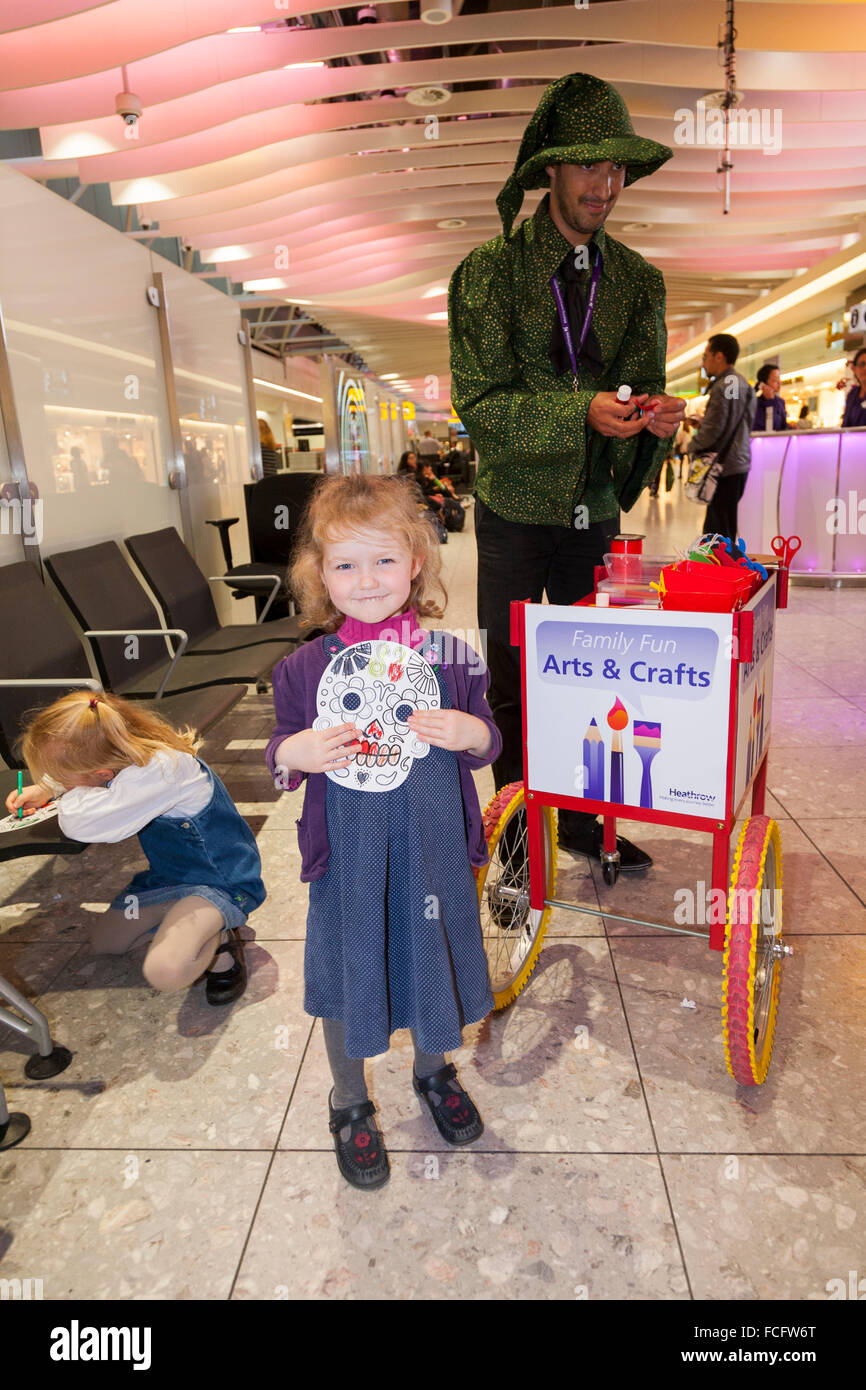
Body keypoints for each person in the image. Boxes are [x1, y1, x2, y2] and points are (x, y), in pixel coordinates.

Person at [449, 71, 685, 873]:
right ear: (549, 168)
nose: (605, 183)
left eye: (617, 168)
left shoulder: (639, 282)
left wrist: (650, 419)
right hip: (514, 511)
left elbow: (637, 390)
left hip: (592, 511)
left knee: (595, 671)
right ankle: (516, 836)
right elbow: (480, 404)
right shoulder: (489, 274)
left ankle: (587, 822)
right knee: (513, 677)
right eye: (588, 164)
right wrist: (576, 412)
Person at [266, 474, 500, 1190]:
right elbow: (279, 755)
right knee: (349, 975)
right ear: (319, 575)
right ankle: (348, 1098)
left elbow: (487, 741)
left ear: (417, 562)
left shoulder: (453, 658)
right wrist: (292, 753)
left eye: (383, 560)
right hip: (351, 863)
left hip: (430, 858)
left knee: (432, 962)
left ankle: (434, 1069)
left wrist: (470, 733)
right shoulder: (301, 670)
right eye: (345, 564)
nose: (366, 580)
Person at [6, 693, 264, 1005]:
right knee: (106, 943)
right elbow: (89, 775)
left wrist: (62, 790)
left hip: (220, 882)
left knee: (166, 971)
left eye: (63, 776)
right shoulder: (123, 754)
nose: (60, 781)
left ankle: (222, 938)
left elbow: (77, 823)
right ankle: (186, 918)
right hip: (171, 878)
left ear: (101, 772)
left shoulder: (166, 770)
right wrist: (49, 787)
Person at [689, 334, 756, 542]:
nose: (703, 361)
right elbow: (732, 419)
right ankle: (721, 568)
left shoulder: (729, 383)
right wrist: (705, 421)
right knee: (722, 525)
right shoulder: (737, 382)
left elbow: (720, 426)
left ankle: (719, 571)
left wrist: (692, 445)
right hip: (736, 462)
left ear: (719, 356)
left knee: (718, 530)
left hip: (726, 466)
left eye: (705, 356)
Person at [417, 461, 465, 530]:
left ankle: (455, 498)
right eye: (427, 468)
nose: (430, 469)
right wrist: (435, 484)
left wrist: (435, 481)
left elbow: (440, 487)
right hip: (431, 498)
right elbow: (426, 491)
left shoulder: (428, 478)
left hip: (435, 496)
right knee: (451, 501)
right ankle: (455, 524)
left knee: (447, 490)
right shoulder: (421, 479)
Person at [752, 363, 787, 432]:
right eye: (775, 380)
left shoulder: (780, 402)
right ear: (763, 384)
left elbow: (783, 426)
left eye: (779, 379)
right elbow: (767, 426)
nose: (779, 382)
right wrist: (770, 402)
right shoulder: (755, 403)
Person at [841, 348, 866, 428]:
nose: (865, 368)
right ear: (854, 369)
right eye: (862, 364)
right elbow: (845, 425)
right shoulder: (852, 394)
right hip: (851, 439)